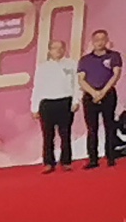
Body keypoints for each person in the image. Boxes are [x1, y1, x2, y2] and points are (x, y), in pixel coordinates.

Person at [34, 32, 81, 169]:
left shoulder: (72, 64)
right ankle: (49, 163)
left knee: (65, 134)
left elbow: (76, 84)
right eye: (55, 48)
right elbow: (37, 87)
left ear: (64, 49)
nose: (58, 51)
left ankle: (66, 162)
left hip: (65, 102)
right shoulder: (43, 67)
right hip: (47, 103)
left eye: (61, 48)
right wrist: (34, 108)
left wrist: (76, 100)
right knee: (48, 136)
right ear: (49, 51)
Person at [83, 27, 122, 167]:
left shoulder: (114, 56)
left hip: (108, 94)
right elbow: (81, 79)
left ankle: (110, 156)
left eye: (102, 39)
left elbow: (116, 74)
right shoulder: (85, 60)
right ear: (92, 42)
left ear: (106, 41)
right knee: (91, 128)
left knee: (109, 125)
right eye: (96, 40)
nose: (99, 42)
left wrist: (103, 92)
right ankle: (93, 159)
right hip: (90, 96)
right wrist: (94, 93)